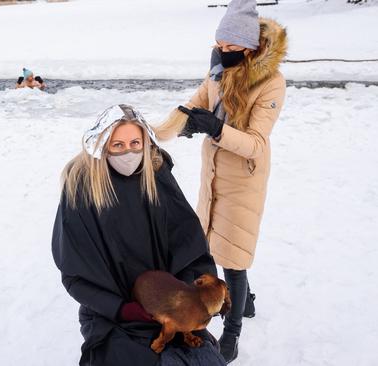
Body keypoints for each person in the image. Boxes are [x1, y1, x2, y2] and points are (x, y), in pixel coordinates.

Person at [154, 0, 288, 362]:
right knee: (212, 242)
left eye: (230, 48)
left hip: (244, 178)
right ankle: (249, 300)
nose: (222, 52)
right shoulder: (217, 71)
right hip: (213, 174)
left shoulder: (271, 83)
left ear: (249, 47)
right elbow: (194, 104)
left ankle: (233, 330)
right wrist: (168, 129)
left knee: (234, 257)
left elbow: (256, 144)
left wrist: (215, 127)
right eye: (219, 45)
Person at [52, 104, 226, 366]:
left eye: (135, 142)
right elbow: (77, 273)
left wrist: (190, 293)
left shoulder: (157, 176)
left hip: (172, 302)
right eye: (118, 145)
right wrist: (121, 309)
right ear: (101, 145)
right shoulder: (82, 190)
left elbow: (187, 241)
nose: (128, 152)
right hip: (114, 313)